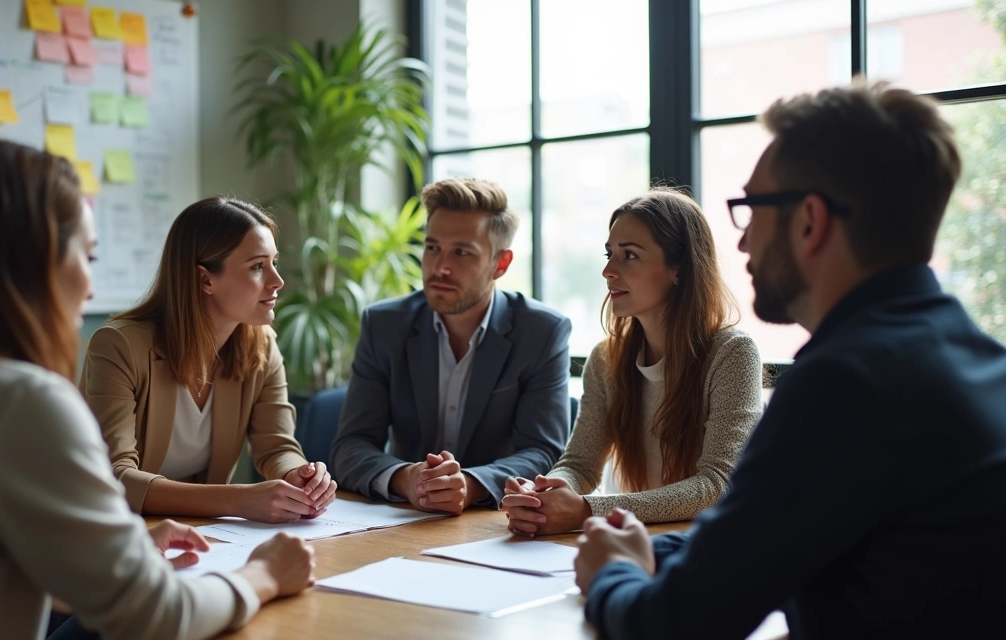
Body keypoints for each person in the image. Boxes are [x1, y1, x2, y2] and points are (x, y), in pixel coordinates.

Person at [0, 141, 315, 640]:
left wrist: (116, 552)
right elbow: (158, 616)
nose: (89, 288)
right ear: (30, 264)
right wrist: (265, 574)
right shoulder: (19, 401)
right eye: (86, 257)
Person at [575, 82, 1006, 639]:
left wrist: (612, 570)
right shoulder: (969, 356)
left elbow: (673, 623)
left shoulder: (845, 384)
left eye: (752, 208)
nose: (745, 241)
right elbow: (769, 528)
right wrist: (648, 540)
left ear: (809, 221)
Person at [500, 189, 762, 535]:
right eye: (609, 254)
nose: (608, 270)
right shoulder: (605, 360)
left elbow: (716, 486)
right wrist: (542, 494)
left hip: (709, 550)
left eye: (629, 256)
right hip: (636, 544)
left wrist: (587, 509)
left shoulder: (733, 354)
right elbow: (579, 465)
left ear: (678, 269)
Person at [80, 197, 336, 522]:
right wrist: (238, 500)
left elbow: (276, 448)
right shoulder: (119, 346)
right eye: (257, 266)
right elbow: (114, 477)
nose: (277, 281)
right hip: (118, 532)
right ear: (205, 280)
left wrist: (299, 476)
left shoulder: (261, 347)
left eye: (274, 262)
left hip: (207, 536)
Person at [331, 177, 572, 514]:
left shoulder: (542, 332)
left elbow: (543, 451)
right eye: (432, 248)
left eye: (461, 252)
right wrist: (406, 478)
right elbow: (350, 445)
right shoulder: (385, 325)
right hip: (402, 516)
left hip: (491, 525)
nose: (440, 267)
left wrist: (471, 485)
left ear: (500, 264)